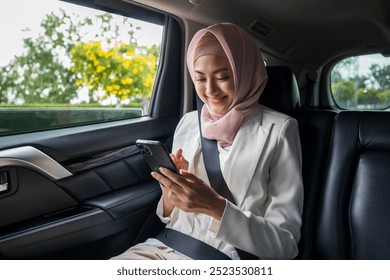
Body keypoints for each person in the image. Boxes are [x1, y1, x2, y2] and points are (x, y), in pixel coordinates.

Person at [111, 22, 303, 260]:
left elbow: (285, 246)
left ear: (245, 72)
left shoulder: (280, 129)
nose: (210, 90)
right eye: (200, 78)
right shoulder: (190, 123)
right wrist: (170, 197)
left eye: (222, 76)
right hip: (159, 249)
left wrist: (215, 207)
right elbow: (171, 217)